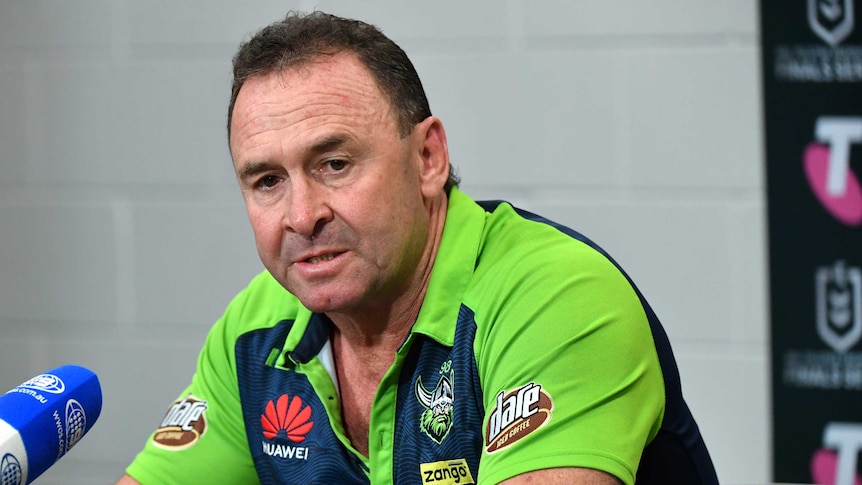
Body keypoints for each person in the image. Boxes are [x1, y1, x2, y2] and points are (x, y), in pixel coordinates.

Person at [117, 11, 718, 485]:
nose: (302, 216)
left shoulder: (555, 297)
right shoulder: (254, 334)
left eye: (334, 163)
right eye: (267, 181)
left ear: (428, 158)